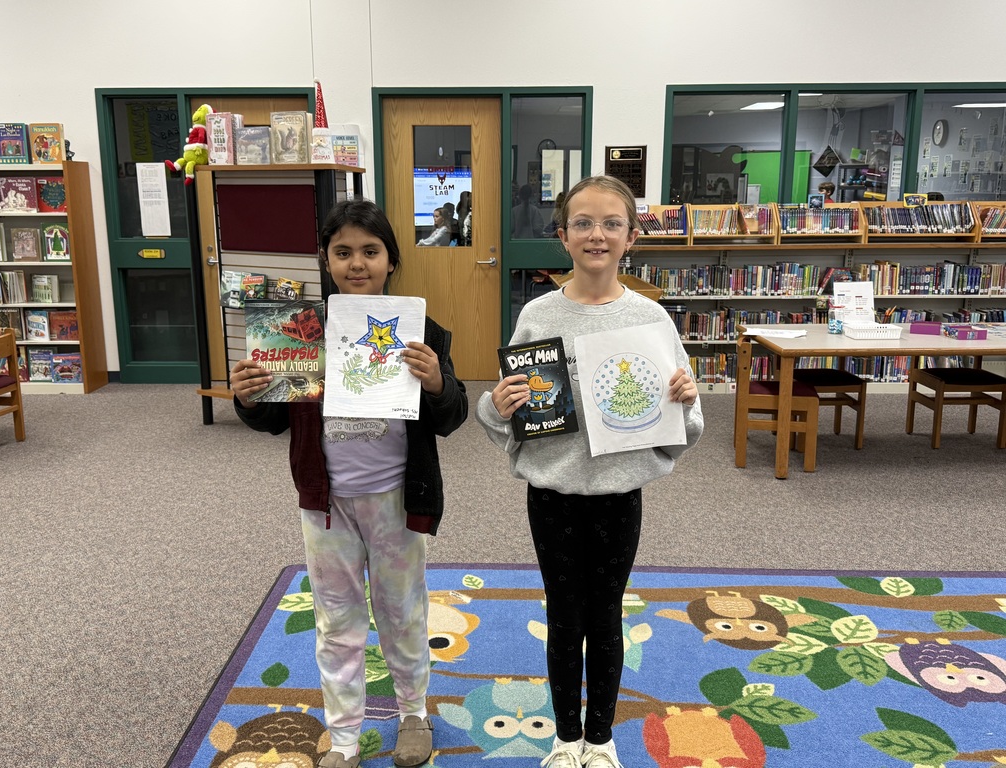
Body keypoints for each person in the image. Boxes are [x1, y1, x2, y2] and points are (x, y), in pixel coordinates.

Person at [230, 199, 469, 768]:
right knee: (337, 620)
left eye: (370, 251)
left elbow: (451, 416)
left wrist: (437, 383)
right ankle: (342, 736)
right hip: (327, 503)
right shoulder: (303, 330)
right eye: (342, 252)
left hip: (396, 500)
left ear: (390, 260)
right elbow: (273, 417)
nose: (356, 263)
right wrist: (248, 396)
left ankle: (413, 713)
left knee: (403, 610)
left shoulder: (422, 329)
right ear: (325, 260)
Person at [475, 175, 704, 768]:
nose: (596, 234)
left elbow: (686, 425)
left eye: (610, 224)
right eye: (583, 223)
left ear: (631, 237)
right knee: (562, 614)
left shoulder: (652, 319)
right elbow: (509, 409)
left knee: (605, 615)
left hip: (618, 495)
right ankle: (565, 736)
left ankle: (600, 740)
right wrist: (497, 407)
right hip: (553, 493)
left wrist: (685, 402)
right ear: (562, 236)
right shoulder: (537, 313)